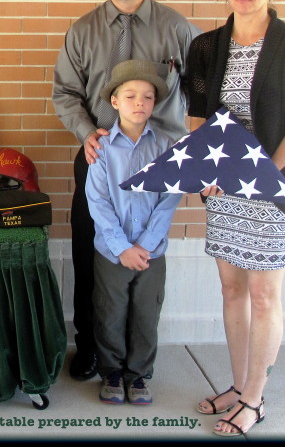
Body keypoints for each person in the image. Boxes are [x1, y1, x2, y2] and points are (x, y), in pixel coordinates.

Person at [51, 0, 201, 380]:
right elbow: (64, 93)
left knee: (146, 259)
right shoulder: (83, 31)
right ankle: (92, 348)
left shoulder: (178, 30)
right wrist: (84, 132)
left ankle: (137, 358)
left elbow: (204, 95)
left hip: (159, 164)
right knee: (91, 252)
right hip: (101, 158)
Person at [187, 0, 285, 437]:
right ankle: (238, 385)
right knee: (231, 288)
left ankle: (254, 401)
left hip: (275, 183)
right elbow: (198, 115)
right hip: (223, 186)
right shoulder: (206, 46)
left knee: (264, 296)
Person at [86, 59, 183, 406]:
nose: (139, 102)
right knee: (110, 311)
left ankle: (139, 374)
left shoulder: (166, 148)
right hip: (112, 251)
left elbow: (169, 200)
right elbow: (97, 201)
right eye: (130, 96)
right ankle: (111, 371)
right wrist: (122, 246)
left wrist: (144, 244)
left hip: (151, 252)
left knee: (146, 312)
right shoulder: (101, 150)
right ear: (115, 102)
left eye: (147, 96)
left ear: (154, 103)